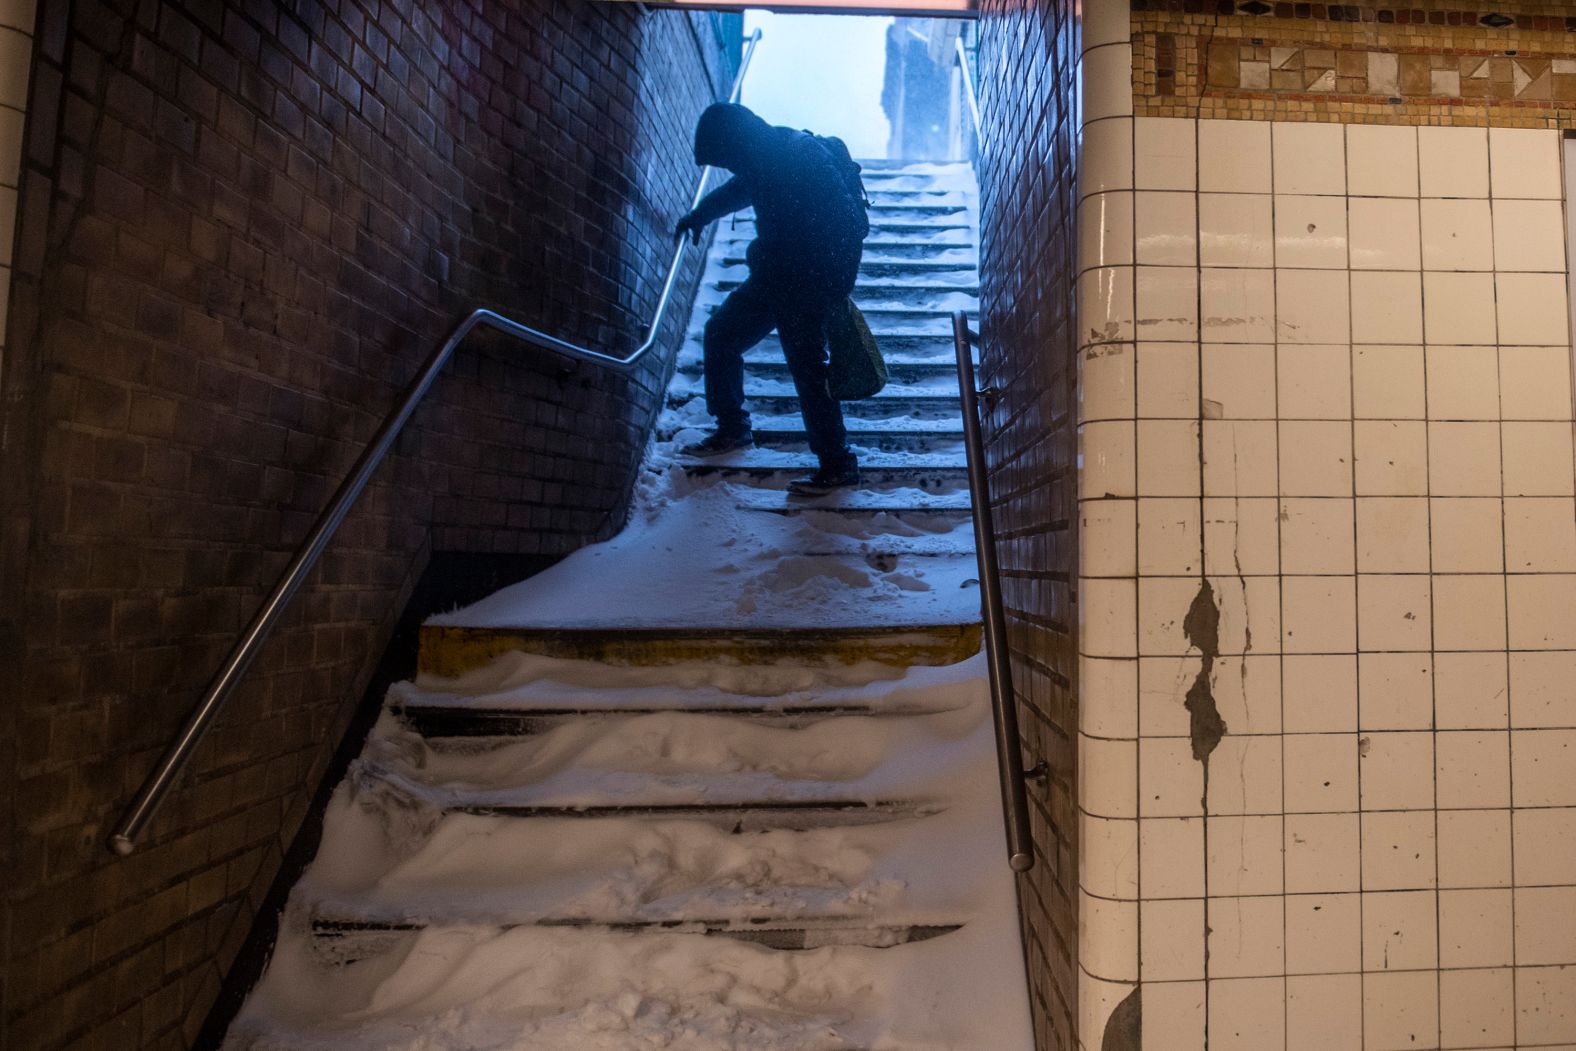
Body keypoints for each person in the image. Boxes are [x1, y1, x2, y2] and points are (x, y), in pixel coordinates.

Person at [674, 102, 869, 497]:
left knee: (809, 371)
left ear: (736, 142)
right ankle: (732, 428)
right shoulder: (760, 159)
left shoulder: (797, 155)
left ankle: (838, 464)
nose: (730, 167)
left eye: (727, 157)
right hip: (774, 277)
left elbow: (849, 222)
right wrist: (700, 215)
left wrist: (830, 282)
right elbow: (738, 190)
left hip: (805, 282)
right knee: (722, 334)